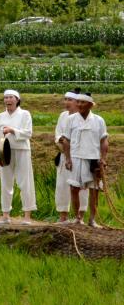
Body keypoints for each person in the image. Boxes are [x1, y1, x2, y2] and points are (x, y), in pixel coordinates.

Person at [61, 93, 109, 228]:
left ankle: (92, 219)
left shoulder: (99, 120)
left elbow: (104, 140)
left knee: (94, 190)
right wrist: (68, 159)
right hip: (76, 158)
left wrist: (103, 159)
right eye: (79, 102)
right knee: (74, 188)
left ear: (90, 105)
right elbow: (66, 140)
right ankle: (77, 218)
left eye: (83, 102)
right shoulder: (71, 120)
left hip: (93, 159)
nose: (80, 105)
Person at [0, 90, 35, 224]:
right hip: (4, 152)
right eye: (6, 98)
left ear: (17, 100)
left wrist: (12, 130)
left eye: (11, 97)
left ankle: (27, 216)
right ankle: (5, 215)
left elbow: (28, 133)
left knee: (24, 182)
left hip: (22, 150)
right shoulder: (0, 116)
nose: (8, 100)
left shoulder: (25, 114)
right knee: (5, 182)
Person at [55, 90, 87, 223]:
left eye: (70, 99)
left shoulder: (83, 116)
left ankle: (80, 217)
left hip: (80, 156)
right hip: (64, 155)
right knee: (62, 185)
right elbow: (57, 133)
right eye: (65, 99)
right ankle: (63, 217)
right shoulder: (62, 116)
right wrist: (60, 140)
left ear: (77, 102)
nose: (66, 102)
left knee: (81, 186)